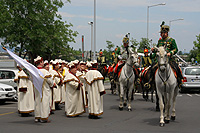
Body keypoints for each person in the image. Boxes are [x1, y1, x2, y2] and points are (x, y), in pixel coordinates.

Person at [145, 21, 183, 88]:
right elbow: (157, 50)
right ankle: (150, 82)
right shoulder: (160, 41)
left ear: (167, 33)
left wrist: (170, 53)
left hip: (169, 59)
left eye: (164, 33)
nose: (162, 34)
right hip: (160, 60)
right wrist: (153, 50)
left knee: (177, 68)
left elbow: (175, 49)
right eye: (161, 33)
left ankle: (180, 82)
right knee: (152, 68)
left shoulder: (171, 40)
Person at [34, 56, 54, 123]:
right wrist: (52, 84)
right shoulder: (44, 71)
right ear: (41, 62)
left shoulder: (34, 71)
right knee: (44, 103)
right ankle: (44, 117)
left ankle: (37, 116)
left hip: (37, 89)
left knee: (37, 102)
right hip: (44, 90)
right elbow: (50, 81)